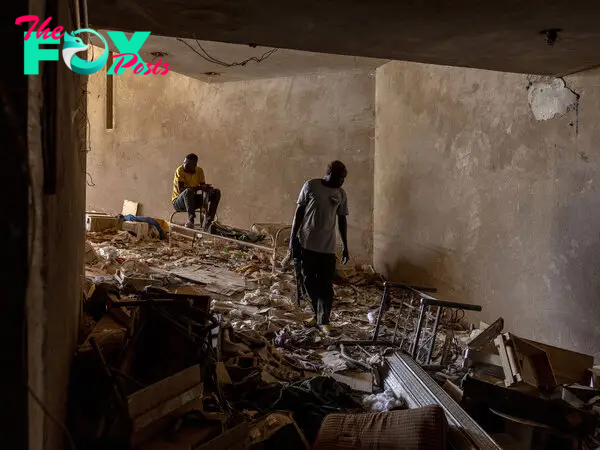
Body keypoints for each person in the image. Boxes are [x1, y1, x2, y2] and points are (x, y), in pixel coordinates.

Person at [289, 160, 350, 334]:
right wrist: (293, 238)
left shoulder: (341, 193)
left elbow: (342, 220)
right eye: (340, 178)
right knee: (308, 282)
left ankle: (324, 321)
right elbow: (299, 213)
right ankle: (316, 315)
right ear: (329, 173)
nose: (342, 182)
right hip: (307, 243)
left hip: (327, 247)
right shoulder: (311, 186)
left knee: (325, 284)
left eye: (344, 179)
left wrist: (345, 246)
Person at [172, 153, 221, 230]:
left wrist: (208, 191)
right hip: (179, 202)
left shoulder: (199, 171)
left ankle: (209, 221)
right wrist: (200, 187)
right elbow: (181, 190)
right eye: (184, 163)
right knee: (188, 191)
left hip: (191, 201)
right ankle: (191, 220)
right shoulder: (180, 170)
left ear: (194, 165)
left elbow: (203, 189)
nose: (185, 165)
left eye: (187, 164)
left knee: (216, 192)